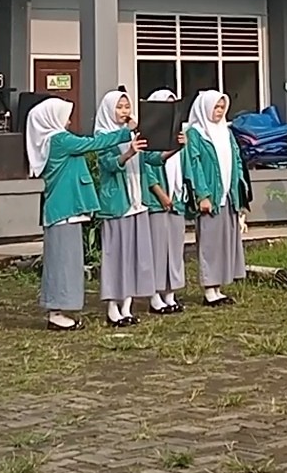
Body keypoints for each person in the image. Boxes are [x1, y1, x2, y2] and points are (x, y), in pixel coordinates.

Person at [26, 96, 129, 331]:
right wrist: (124, 133)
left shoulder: (50, 141)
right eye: (65, 116)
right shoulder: (59, 140)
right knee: (62, 262)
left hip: (67, 210)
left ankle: (61, 309)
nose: (70, 121)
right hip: (64, 210)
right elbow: (91, 144)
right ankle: (56, 312)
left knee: (67, 262)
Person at [93, 90, 154, 328]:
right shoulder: (103, 135)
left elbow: (151, 160)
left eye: (127, 107)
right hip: (117, 204)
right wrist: (128, 152)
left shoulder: (134, 134)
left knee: (134, 255)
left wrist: (174, 149)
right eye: (119, 107)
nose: (124, 112)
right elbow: (107, 164)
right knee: (115, 255)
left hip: (138, 201)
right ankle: (112, 307)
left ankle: (127, 305)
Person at [183, 90, 248, 305]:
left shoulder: (226, 132)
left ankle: (218, 287)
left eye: (222, 107)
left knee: (225, 242)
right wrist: (203, 194)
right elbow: (194, 165)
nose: (219, 112)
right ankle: (209, 289)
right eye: (215, 107)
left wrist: (240, 188)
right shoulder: (196, 133)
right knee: (210, 242)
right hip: (211, 196)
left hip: (228, 195)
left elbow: (236, 159)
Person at [141, 89, 188, 315]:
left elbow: (181, 164)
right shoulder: (148, 134)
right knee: (158, 249)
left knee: (174, 248)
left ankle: (171, 292)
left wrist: (180, 146)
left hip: (176, 198)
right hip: (158, 202)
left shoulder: (176, 133)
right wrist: (161, 194)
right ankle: (155, 294)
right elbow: (147, 166)